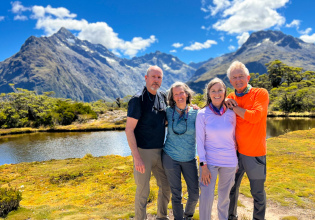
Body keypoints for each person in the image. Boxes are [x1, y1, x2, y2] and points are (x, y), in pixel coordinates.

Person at [125, 65, 171, 220]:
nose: (156, 80)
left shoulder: (162, 97)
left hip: (161, 151)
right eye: (153, 77)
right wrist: (136, 157)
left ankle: (161, 217)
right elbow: (129, 129)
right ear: (146, 78)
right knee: (143, 191)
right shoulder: (137, 100)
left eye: (159, 78)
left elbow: (165, 119)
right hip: (143, 152)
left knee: (166, 186)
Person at [225, 61, 269, 220]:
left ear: (248, 77)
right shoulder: (229, 97)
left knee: (257, 192)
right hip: (234, 154)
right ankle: (231, 217)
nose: (238, 80)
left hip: (255, 154)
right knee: (231, 189)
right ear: (230, 81)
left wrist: (234, 108)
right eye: (234, 77)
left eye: (241, 76)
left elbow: (255, 116)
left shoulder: (260, 93)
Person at [196, 77, 237, 220]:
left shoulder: (232, 113)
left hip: (229, 162)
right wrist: (203, 166)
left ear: (225, 92)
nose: (217, 93)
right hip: (209, 163)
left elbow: (234, 139)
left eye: (220, 90)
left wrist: (236, 161)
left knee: (224, 199)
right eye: (213, 90)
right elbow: (200, 143)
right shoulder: (202, 114)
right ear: (208, 93)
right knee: (206, 198)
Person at [162, 82, 199, 220]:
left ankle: (187, 216)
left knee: (194, 194)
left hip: (189, 158)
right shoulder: (168, 111)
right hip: (170, 157)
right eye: (175, 94)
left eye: (181, 93)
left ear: (187, 93)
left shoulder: (196, 113)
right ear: (172, 97)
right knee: (176, 194)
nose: (179, 96)